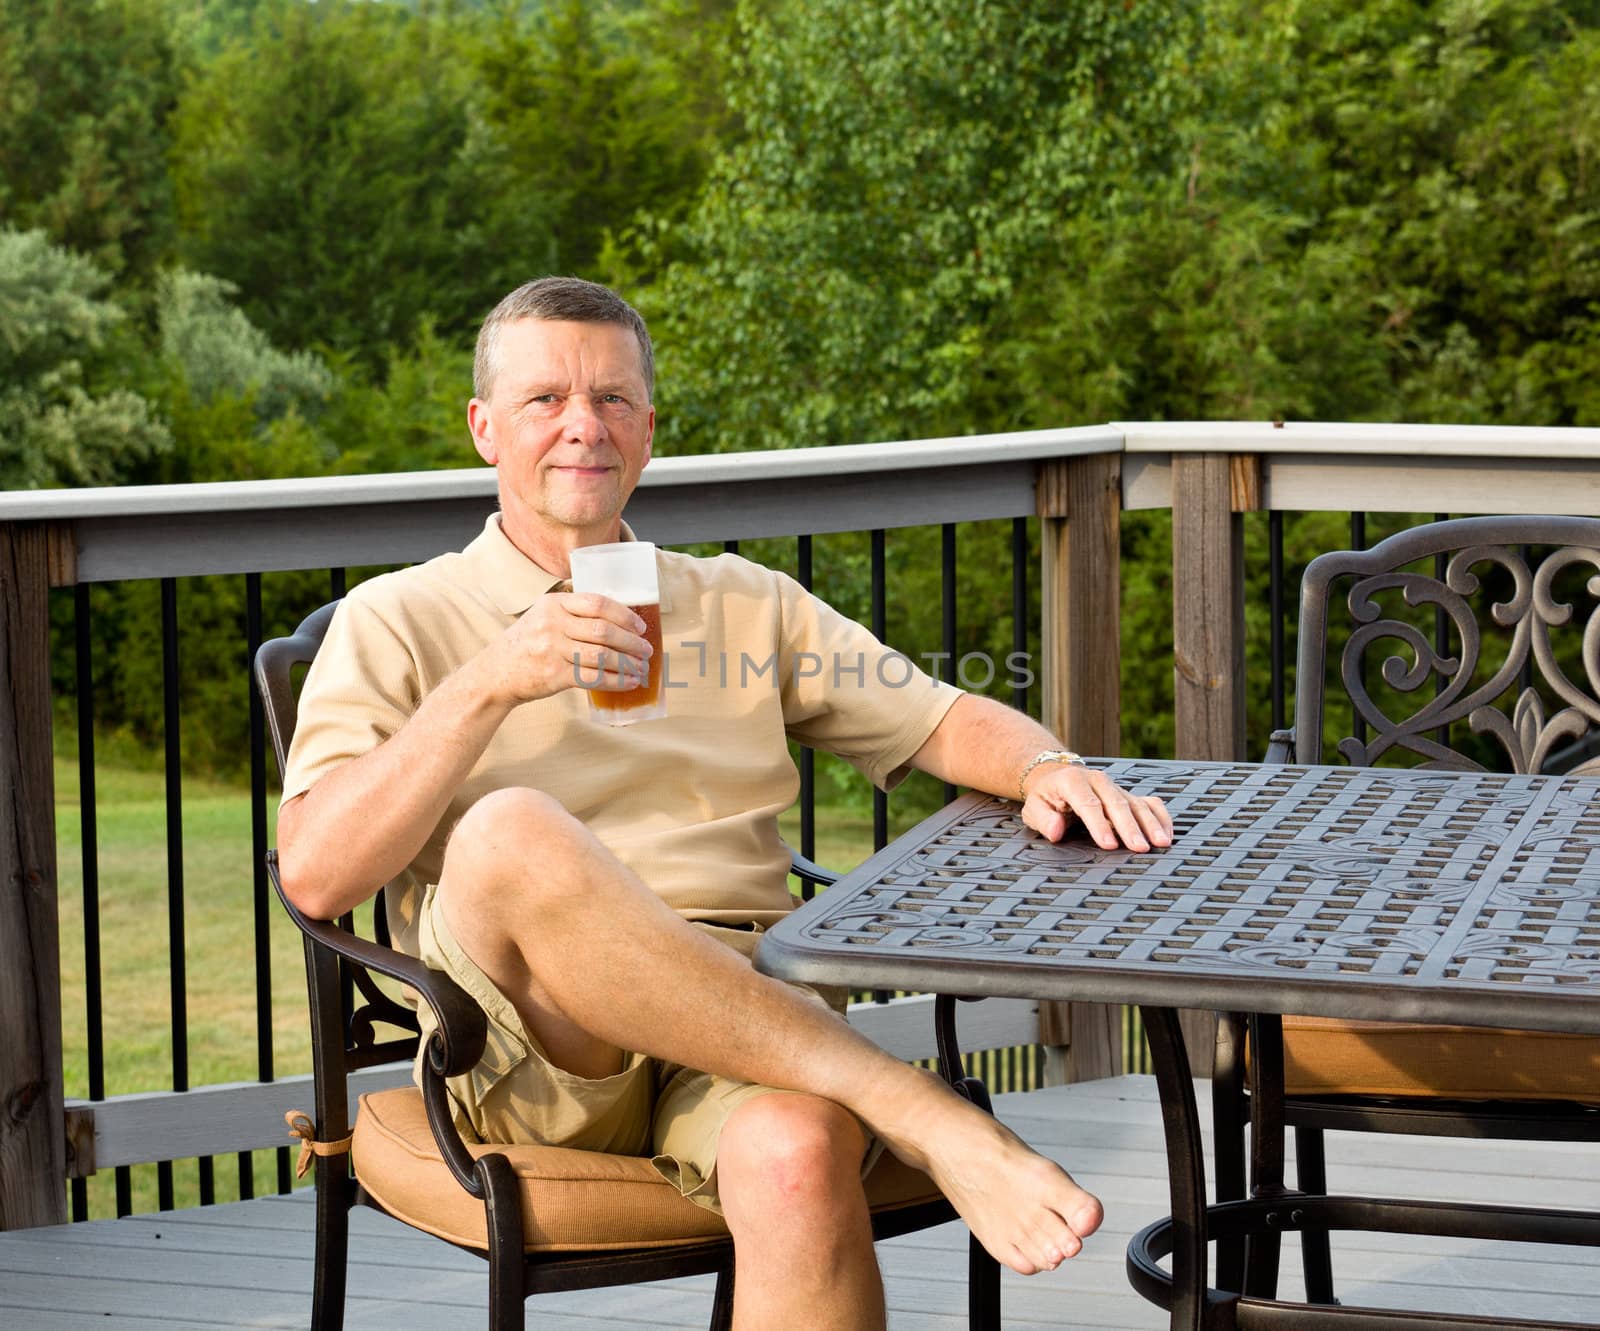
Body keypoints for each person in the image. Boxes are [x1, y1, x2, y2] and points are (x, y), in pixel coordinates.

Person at [276, 276, 1172, 1331]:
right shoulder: (398, 617)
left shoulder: (743, 602)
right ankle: (913, 1103)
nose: (582, 425)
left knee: (795, 1152)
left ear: (648, 430)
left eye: (612, 399)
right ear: (483, 428)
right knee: (511, 829)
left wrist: (1042, 764)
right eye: (543, 400)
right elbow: (317, 871)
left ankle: (869, 1098)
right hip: (532, 1047)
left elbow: (936, 716)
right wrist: (486, 683)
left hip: (747, 1024)